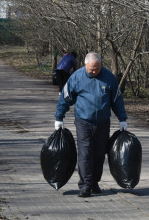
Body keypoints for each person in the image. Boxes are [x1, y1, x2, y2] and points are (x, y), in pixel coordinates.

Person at [54, 52, 128, 198]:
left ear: (101, 65)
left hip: (103, 122)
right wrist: (59, 117)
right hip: (83, 121)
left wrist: (122, 118)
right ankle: (85, 185)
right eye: (91, 69)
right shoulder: (76, 77)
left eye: (97, 68)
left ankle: (94, 183)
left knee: (100, 154)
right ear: (85, 65)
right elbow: (65, 97)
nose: (94, 71)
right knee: (85, 153)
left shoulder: (109, 78)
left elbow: (117, 99)